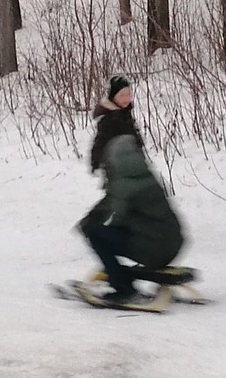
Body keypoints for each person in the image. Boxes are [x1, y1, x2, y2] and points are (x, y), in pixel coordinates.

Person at [78, 133, 184, 309]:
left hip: (154, 250)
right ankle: (121, 275)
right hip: (175, 244)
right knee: (113, 235)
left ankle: (123, 287)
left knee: (95, 234)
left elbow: (118, 219)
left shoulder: (123, 183)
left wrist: (97, 229)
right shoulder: (148, 175)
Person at [88, 74, 139, 173]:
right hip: (115, 167)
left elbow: (131, 132)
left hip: (131, 162)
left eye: (128, 94)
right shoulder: (108, 118)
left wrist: (138, 143)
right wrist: (96, 162)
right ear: (113, 97)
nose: (126, 98)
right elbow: (100, 140)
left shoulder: (125, 113)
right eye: (122, 95)